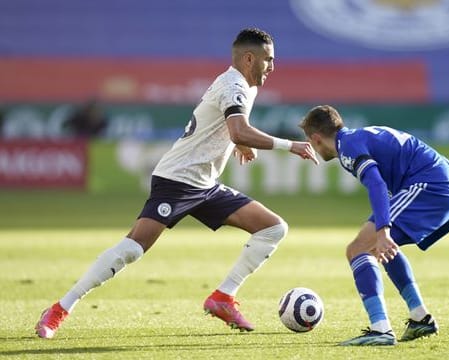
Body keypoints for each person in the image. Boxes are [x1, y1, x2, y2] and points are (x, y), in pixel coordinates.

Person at [35, 28, 318, 339]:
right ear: (249, 58)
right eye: (269, 60)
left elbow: (230, 127)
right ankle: (60, 309)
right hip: (177, 180)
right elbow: (238, 129)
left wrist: (237, 141)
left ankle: (223, 298)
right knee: (131, 250)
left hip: (205, 184)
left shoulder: (244, 85)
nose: (273, 67)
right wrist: (289, 145)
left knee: (273, 228)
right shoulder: (234, 85)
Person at [298, 105, 449, 346]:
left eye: (310, 141)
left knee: (358, 249)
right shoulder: (364, 135)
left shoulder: (347, 148)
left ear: (316, 138)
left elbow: (376, 184)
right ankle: (420, 318)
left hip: (430, 189)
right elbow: (433, 154)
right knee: (382, 249)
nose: (313, 147)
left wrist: (383, 230)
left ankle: (380, 329)